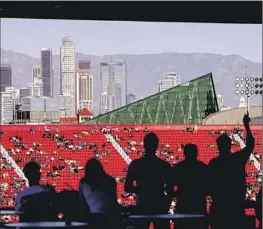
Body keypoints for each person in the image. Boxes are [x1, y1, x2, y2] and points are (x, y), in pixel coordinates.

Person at [208, 113, 255, 229]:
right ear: (230, 145)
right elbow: (250, 145)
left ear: (218, 146)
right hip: (236, 206)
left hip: (219, 208)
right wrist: (246, 126)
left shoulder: (214, 163)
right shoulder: (237, 159)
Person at [124, 132, 171, 229]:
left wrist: (140, 190)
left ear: (144, 145)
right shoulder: (164, 166)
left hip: (142, 203)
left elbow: (127, 187)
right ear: (157, 145)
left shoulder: (136, 164)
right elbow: (170, 188)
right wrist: (167, 203)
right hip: (159, 204)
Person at [168, 144, 209, 229]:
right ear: (196, 153)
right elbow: (211, 188)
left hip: (182, 207)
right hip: (199, 208)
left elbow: (169, 188)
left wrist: (177, 194)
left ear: (184, 153)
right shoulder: (204, 168)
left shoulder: (178, 168)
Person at [79, 158, 119, 229]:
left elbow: (81, 201)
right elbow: (114, 200)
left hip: (92, 218)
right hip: (109, 217)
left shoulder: (83, 182)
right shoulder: (111, 181)